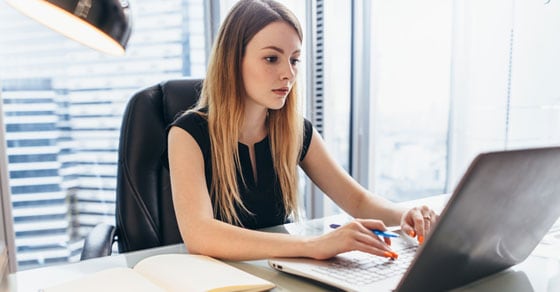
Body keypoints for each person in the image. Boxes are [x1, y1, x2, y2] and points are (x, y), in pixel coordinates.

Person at [167, 0, 437, 261]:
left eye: (294, 60)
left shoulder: (295, 131)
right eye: (271, 58)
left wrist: (405, 216)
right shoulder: (187, 133)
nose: (288, 73)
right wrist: (314, 245)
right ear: (232, 61)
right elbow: (200, 235)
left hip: (278, 275)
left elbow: (357, 200)